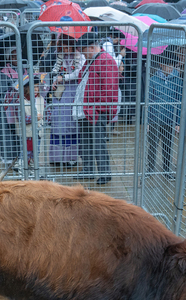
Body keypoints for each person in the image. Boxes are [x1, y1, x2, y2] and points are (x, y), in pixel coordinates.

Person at [73, 32, 119, 185]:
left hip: (95, 110)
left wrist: (97, 108)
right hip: (88, 109)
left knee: (98, 142)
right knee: (86, 140)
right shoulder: (93, 60)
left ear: (91, 48)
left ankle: (104, 173)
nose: (82, 54)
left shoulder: (106, 61)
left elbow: (109, 89)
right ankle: (88, 169)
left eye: (83, 50)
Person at [49, 34, 85, 167]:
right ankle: (57, 157)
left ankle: (70, 157)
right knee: (58, 121)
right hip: (61, 92)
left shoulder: (79, 56)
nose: (65, 50)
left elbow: (78, 73)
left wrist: (63, 78)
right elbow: (56, 71)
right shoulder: (60, 57)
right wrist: (54, 80)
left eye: (67, 47)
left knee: (70, 123)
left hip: (73, 92)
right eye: (63, 47)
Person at [146, 51, 184, 177]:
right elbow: (148, 101)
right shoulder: (152, 80)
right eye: (167, 65)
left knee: (168, 146)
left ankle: (167, 170)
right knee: (153, 145)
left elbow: (179, 101)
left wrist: (178, 122)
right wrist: (147, 122)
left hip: (170, 119)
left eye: (172, 65)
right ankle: (149, 169)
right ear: (161, 65)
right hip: (155, 119)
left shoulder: (178, 81)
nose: (170, 68)